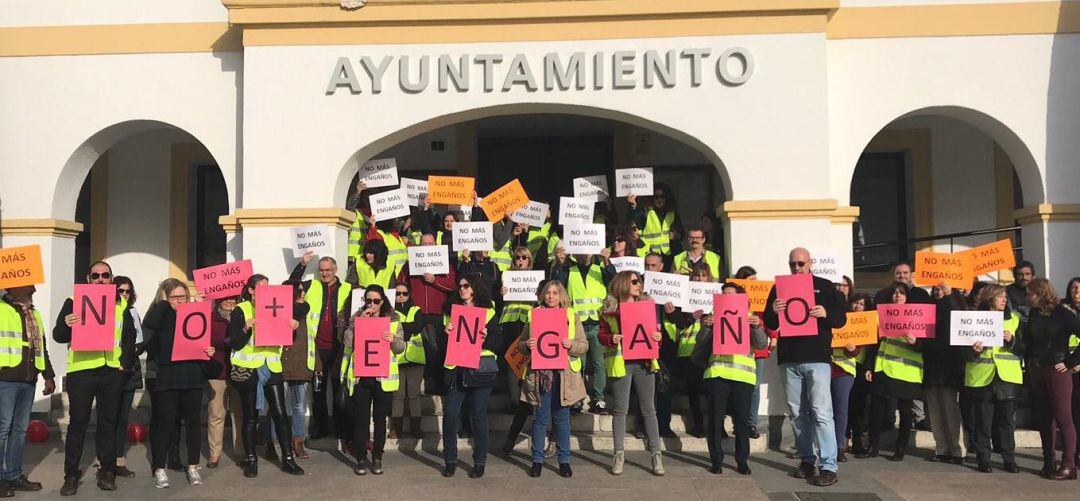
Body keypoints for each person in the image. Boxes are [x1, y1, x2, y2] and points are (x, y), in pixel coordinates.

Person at [763, 248, 847, 487]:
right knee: (797, 413)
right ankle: (807, 460)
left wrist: (826, 313)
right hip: (789, 358)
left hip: (817, 358)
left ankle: (829, 465)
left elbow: (841, 319)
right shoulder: (779, 287)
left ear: (810, 263)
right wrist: (773, 311)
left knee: (821, 412)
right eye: (792, 264)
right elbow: (769, 323)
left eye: (800, 263)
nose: (796, 268)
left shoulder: (825, 286)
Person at [53, 260, 137, 495]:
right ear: (88, 279)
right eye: (96, 275)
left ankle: (107, 471)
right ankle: (71, 475)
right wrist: (67, 324)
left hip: (111, 371)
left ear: (111, 279)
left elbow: (129, 336)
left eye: (105, 275)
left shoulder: (120, 303)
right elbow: (59, 335)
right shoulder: (73, 301)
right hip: (82, 371)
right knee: (78, 424)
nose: (100, 279)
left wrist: (123, 364)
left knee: (108, 424)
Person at [138, 279, 215, 488]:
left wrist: (208, 350)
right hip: (167, 376)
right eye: (174, 297)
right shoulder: (160, 314)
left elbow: (203, 337)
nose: (179, 301)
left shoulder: (193, 313)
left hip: (192, 374)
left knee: (193, 423)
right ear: (165, 297)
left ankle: (193, 466)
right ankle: (159, 468)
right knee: (164, 423)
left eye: (183, 296)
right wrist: (163, 304)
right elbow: (147, 333)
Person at [227, 274, 305, 478]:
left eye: (268, 287)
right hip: (249, 369)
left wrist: (292, 328)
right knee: (250, 417)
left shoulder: (277, 305)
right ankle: (251, 461)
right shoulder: (241, 310)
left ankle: (288, 459)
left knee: (280, 413)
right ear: (251, 290)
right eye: (261, 288)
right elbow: (235, 342)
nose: (266, 291)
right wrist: (245, 328)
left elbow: (285, 338)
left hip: (271, 366)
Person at [696, 281, 768, 475]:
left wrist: (756, 327)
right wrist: (706, 327)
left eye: (730, 294)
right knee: (715, 419)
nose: (727, 298)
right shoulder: (713, 316)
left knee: (742, 421)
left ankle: (742, 461)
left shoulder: (749, 317)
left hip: (742, 377)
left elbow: (762, 344)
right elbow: (700, 341)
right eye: (724, 294)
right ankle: (716, 460)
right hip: (717, 373)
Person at [598, 271, 665, 476]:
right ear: (623, 284)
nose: (639, 285)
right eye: (635, 281)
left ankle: (656, 455)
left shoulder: (647, 306)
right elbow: (601, 335)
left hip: (644, 362)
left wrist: (658, 337)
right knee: (620, 410)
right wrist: (611, 338)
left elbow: (655, 335)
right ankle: (618, 454)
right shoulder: (609, 310)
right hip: (621, 363)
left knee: (649, 410)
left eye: (640, 281)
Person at [520, 281, 589, 478]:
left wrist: (571, 345)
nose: (551, 296)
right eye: (548, 292)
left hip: (563, 374)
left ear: (561, 296)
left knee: (561, 419)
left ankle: (564, 460)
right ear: (543, 295)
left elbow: (584, 345)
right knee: (540, 419)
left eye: (555, 293)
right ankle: (537, 461)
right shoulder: (534, 314)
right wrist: (527, 345)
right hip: (540, 374)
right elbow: (520, 344)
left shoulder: (571, 315)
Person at [438, 274, 500, 479]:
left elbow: (498, 342)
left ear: (475, 288)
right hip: (456, 369)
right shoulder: (450, 312)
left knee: (479, 416)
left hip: (480, 369)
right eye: (460, 286)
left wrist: (485, 338)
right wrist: (445, 333)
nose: (462, 289)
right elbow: (441, 345)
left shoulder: (489, 312)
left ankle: (480, 461)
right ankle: (450, 460)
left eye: (466, 286)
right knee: (450, 414)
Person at [341, 285, 406, 475]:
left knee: (380, 420)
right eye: (368, 300)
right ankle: (361, 458)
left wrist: (393, 339)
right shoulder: (357, 317)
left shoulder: (393, 320)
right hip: (361, 376)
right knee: (361, 420)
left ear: (382, 301)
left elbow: (400, 347)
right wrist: (359, 323)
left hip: (383, 378)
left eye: (376, 301)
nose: (372, 304)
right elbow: (347, 342)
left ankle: (377, 457)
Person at [289, 253, 352, 442]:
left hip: (340, 347)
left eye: (328, 270)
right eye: (322, 270)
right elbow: (291, 286)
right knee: (318, 390)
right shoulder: (312, 285)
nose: (324, 274)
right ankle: (321, 427)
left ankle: (341, 428)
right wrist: (302, 264)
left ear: (335, 270)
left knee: (340, 388)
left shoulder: (348, 288)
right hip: (316, 347)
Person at [0, 284, 56, 496]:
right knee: (2, 429)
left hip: (28, 380)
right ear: (14, 287)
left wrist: (48, 375)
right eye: (29, 286)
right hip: (5, 378)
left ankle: (13, 476)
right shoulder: (1, 309)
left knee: (20, 430)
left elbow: (41, 347)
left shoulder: (34, 313)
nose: (34, 289)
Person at [1022, 278, 1080, 480]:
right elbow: (1029, 341)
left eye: (1030, 294)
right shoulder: (1034, 313)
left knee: (1063, 417)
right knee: (1044, 417)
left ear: (1041, 294)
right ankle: (1049, 461)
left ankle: (1069, 464)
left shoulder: (1062, 313)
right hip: (1037, 367)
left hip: (1057, 368)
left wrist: (1071, 362)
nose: (1027, 298)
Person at [860, 282, 923, 463]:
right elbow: (874, 343)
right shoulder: (882, 315)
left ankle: (900, 448)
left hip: (907, 371)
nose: (897, 296)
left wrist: (915, 342)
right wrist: (869, 366)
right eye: (894, 293)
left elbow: (926, 345)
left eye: (901, 293)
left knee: (905, 412)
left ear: (907, 297)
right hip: (884, 367)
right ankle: (873, 446)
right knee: (876, 409)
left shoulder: (918, 316)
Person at [964, 284, 1022, 473]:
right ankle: (983, 458)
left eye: (1005, 296)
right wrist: (973, 351)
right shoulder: (973, 319)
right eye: (1000, 296)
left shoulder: (1014, 319)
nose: (1004, 300)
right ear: (990, 298)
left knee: (1006, 421)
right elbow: (961, 349)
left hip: (1006, 376)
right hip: (982, 376)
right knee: (983, 421)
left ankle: (1009, 459)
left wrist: (1012, 341)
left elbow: (1025, 347)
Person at [657, 262, 711, 438]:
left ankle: (717, 426)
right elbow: (678, 322)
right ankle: (698, 424)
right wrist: (688, 316)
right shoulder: (684, 296)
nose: (700, 279)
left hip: (710, 349)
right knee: (693, 389)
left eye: (703, 276)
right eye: (696, 275)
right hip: (688, 349)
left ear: (709, 278)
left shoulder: (715, 295)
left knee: (711, 390)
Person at [922, 281, 967, 464]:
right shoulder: (928, 310)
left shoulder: (956, 306)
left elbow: (957, 317)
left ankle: (958, 450)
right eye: (936, 288)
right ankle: (941, 448)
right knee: (935, 411)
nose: (938, 291)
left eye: (941, 288)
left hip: (950, 367)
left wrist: (949, 296)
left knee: (951, 410)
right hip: (932, 366)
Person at [566, 253, 613, 415]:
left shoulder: (599, 269)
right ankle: (577, 399)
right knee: (578, 365)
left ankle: (599, 399)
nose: (583, 254)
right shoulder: (569, 270)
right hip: (578, 325)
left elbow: (613, 279)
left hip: (597, 323)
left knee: (599, 363)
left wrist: (606, 260)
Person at [278, 280, 319, 460]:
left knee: (299, 406)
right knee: (277, 406)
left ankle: (298, 442)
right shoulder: (279, 311)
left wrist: (317, 365)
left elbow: (312, 339)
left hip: (303, 365)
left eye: (303, 291)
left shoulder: (307, 313)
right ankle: (272, 442)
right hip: (281, 365)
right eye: (299, 291)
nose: (303, 294)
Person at [736, 265, 774, 440]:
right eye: (751, 281)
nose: (755, 284)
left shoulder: (760, 300)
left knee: (755, 386)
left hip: (757, 348)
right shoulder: (734, 298)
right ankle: (739, 422)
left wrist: (774, 336)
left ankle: (751, 423)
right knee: (739, 386)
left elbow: (768, 318)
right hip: (738, 347)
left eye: (756, 280)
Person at [111, 276, 141, 478]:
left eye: (127, 291)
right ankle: (105, 460)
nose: (124, 294)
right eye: (120, 291)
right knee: (109, 418)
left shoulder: (132, 312)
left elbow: (140, 339)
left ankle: (119, 460)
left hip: (128, 371)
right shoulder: (108, 311)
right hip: (110, 371)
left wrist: (132, 353)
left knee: (122, 418)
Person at [206, 296, 240, 468]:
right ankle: (214, 454)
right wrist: (230, 341)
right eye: (225, 298)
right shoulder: (210, 317)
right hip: (217, 371)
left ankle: (240, 452)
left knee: (238, 414)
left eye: (232, 298)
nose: (229, 301)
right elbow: (208, 339)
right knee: (216, 414)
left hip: (239, 371)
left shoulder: (241, 315)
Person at [390, 282, 425, 439]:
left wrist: (400, 328)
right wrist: (407, 327)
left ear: (409, 295)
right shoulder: (390, 312)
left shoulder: (415, 309)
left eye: (404, 293)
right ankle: (396, 429)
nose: (401, 296)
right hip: (396, 358)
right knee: (397, 395)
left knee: (414, 394)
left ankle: (416, 428)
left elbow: (417, 326)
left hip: (415, 358)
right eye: (398, 294)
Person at [846, 293, 874, 456]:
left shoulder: (870, 323)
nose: (858, 307)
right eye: (855, 303)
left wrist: (869, 368)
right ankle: (844, 439)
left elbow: (873, 349)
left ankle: (858, 441)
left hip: (862, 368)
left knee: (860, 406)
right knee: (845, 405)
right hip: (845, 366)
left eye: (862, 304)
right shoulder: (843, 320)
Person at [627, 183, 684, 261]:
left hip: (668, 255)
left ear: (667, 198)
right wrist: (632, 205)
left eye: (662, 197)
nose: (659, 200)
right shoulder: (646, 212)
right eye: (656, 197)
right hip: (649, 255)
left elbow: (682, 233)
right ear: (652, 198)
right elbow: (632, 220)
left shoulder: (673, 214)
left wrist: (677, 235)